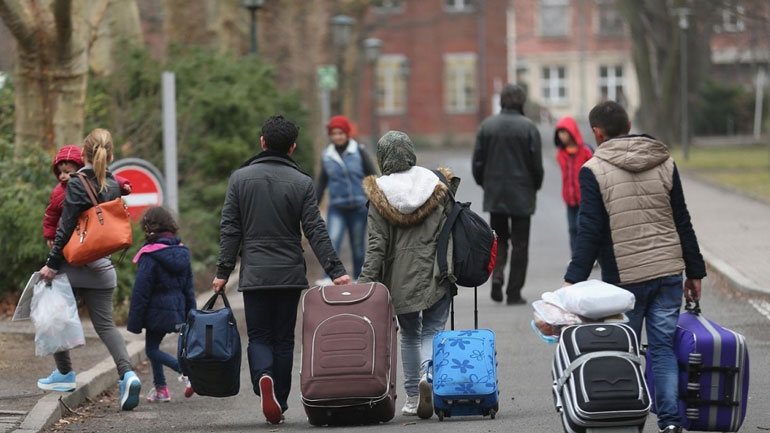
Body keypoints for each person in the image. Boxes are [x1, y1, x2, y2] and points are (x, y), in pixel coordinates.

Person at [563, 101, 706, 433]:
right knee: (662, 349)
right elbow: (682, 219)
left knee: (622, 352)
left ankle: (628, 420)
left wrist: (573, 281)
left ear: (597, 133)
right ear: (628, 124)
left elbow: (590, 231)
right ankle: (670, 423)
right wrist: (694, 271)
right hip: (669, 271)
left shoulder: (592, 169)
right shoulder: (664, 161)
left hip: (623, 279)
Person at [212, 115, 351, 425]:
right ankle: (282, 401)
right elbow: (315, 228)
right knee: (284, 338)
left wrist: (223, 271)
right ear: (292, 147)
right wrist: (335, 269)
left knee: (259, 335)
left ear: (262, 142)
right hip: (289, 273)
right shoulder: (301, 182)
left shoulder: (239, 179)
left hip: (256, 273)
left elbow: (230, 228)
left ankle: (264, 379)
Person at [38, 128, 142, 411]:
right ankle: (128, 375)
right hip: (103, 267)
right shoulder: (113, 183)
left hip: (72, 266)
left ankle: (64, 374)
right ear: (111, 155)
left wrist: (51, 265)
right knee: (107, 327)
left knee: (54, 317)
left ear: (83, 154)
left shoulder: (75, 183)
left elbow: (67, 226)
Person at [358, 130, 458, 420]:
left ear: (384, 158)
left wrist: (364, 286)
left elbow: (377, 247)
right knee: (433, 330)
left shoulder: (380, 195)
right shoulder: (437, 185)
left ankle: (414, 396)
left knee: (410, 335)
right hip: (438, 270)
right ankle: (430, 375)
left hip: (399, 280)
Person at [472, 84, 543, 305]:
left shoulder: (487, 126)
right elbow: (536, 166)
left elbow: (477, 163)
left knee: (498, 240)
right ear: (521, 101)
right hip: (522, 194)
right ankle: (514, 292)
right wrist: (534, 186)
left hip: (496, 194)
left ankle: (498, 275)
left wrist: (486, 184)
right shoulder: (529, 128)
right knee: (521, 244)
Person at [126, 207, 196, 402]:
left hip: (155, 311)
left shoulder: (149, 255)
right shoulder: (182, 252)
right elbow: (189, 288)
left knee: (151, 350)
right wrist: (191, 314)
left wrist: (134, 321)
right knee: (153, 345)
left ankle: (186, 373)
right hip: (176, 309)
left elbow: (141, 291)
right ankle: (161, 389)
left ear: (148, 228)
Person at [314, 115, 377, 284]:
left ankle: (358, 277)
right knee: (333, 241)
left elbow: (372, 176)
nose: (337, 136)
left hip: (358, 206)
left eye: (340, 132)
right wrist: (313, 206)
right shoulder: (327, 155)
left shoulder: (359, 151)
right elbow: (321, 182)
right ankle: (329, 277)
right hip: (337, 208)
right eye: (334, 133)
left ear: (347, 133)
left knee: (357, 246)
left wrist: (376, 201)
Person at [43, 145, 131, 248]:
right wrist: (50, 235)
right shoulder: (58, 193)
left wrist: (123, 185)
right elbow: (51, 215)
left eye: (67, 172)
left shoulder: (88, 182)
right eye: (60, 172)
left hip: (93, 229)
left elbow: (106, 179)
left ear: (80, 170)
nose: (62, 176)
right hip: (71, 234)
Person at [553, 116, 593, 256]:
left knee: (582, 227)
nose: (561, 136)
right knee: (572, 228)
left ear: (572, 132)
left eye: (564, 132)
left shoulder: (585, 151)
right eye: (559, 132)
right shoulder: (561, 154)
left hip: (583, 197)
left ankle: (587, 255)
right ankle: (575, 256)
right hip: (569, 198)